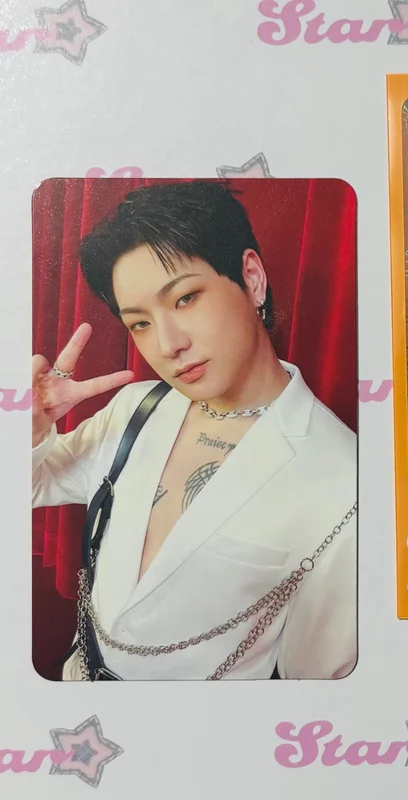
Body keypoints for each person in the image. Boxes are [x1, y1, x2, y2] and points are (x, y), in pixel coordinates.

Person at [32, 181, 357, 681]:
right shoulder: (137, 407)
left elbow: (316, 681)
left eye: (185, 298)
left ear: (251, 279)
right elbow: (31, 485)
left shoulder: (340, 476)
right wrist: (31, 431)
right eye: (140, 323)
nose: (168, 344)